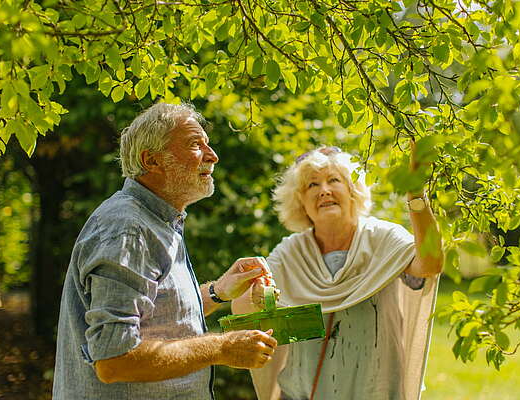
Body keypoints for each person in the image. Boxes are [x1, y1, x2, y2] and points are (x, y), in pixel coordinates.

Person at [53, 103, 277, 400]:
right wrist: (221, 348)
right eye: (195, 145)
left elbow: (154, 315)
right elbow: (113, 360)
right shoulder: (128, 229)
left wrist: (218, 292)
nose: (213, 156)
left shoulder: (157, 221)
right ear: (153, 160)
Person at [232, 145, 443, 400]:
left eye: (334, 180)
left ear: (353, 191)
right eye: (312, 185)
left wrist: (416, 196)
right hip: (302, 393)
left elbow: (430, 264)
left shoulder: (383, 237)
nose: (324, 191)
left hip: (376, 392)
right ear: (300, 202)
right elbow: (245, 307)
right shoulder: (289, 252)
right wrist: (257, 296)